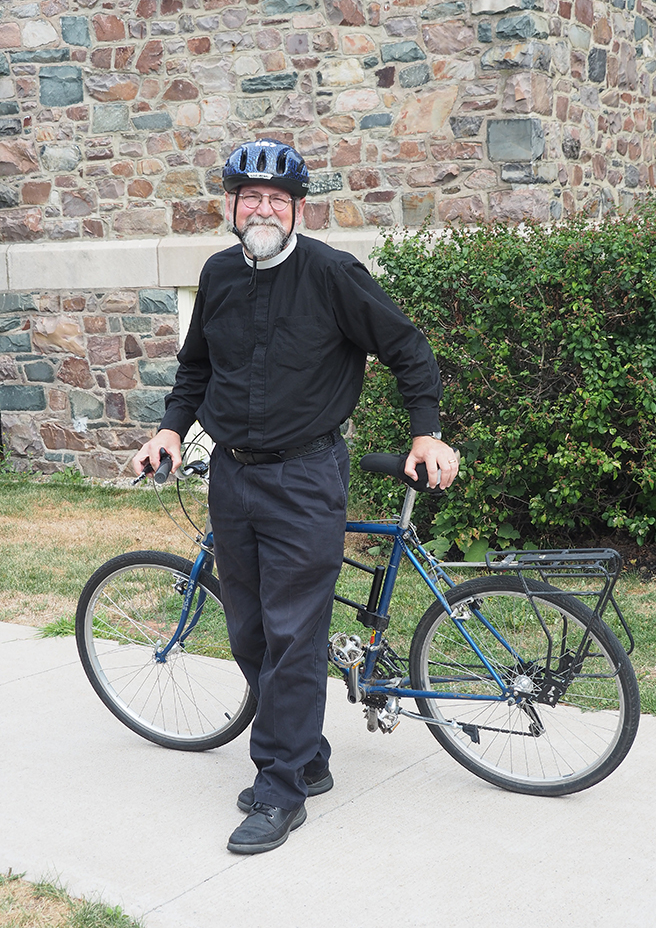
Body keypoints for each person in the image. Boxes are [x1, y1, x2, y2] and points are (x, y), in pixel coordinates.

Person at [132, 138, 459, 854]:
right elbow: (195, 370)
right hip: (234, 477)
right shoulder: (218, 274)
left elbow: (407, 348)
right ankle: (307, 757)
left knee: (293, 634)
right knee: (250, 631)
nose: (262, 208)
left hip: (306, 479)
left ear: (298, 209)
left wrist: (426, 433)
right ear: (230, 205)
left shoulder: (333, 274)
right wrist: (168, 430)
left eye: (276, 200)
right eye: (248, 197)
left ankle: (280, 789)